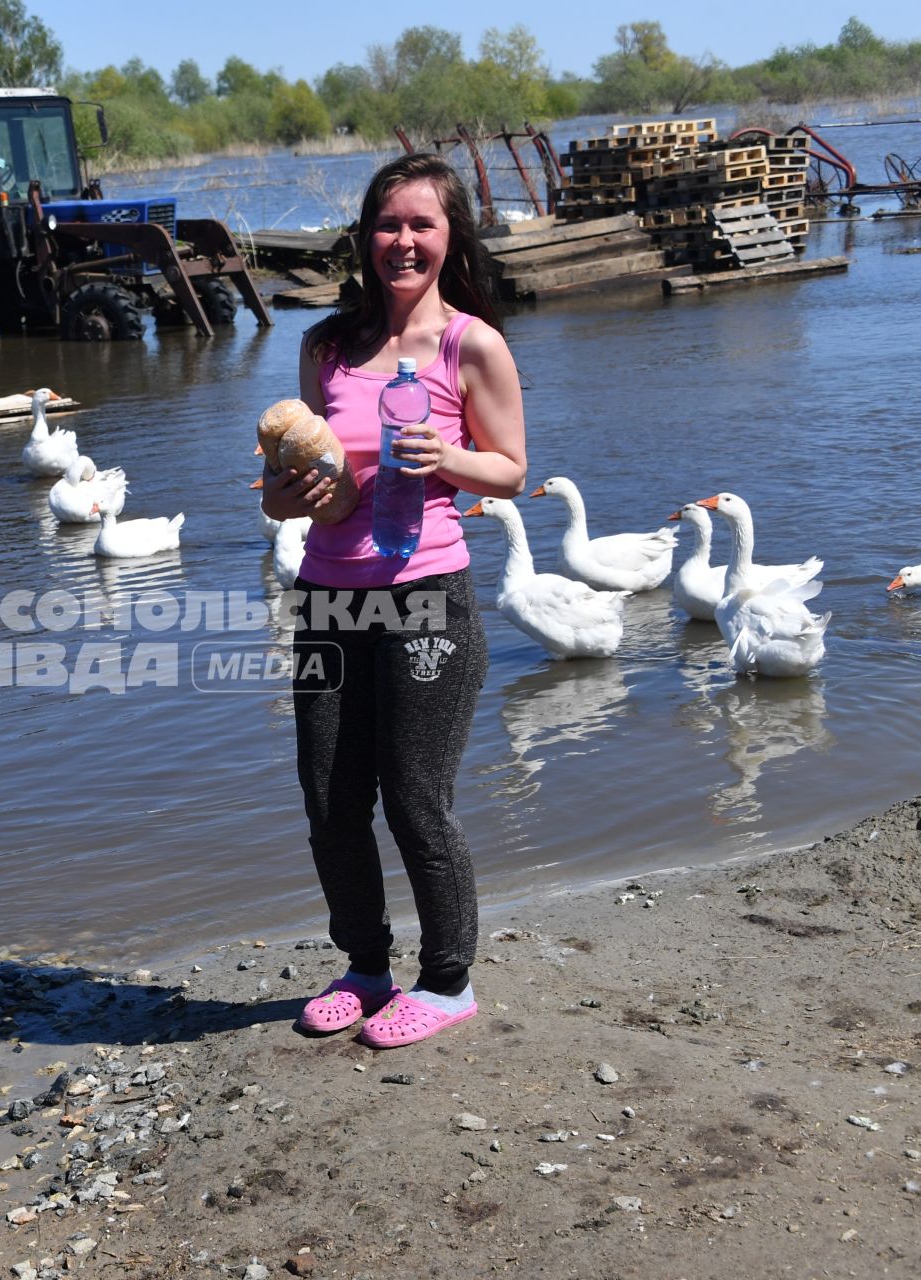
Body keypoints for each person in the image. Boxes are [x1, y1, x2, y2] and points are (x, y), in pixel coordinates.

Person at [260, 155, 527, 1049]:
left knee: (416, 796)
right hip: (331, 597)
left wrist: (444, 460)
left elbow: (512, 470)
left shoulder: (472, 344)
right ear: (365, 237)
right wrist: (284, 498)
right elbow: (291, 484)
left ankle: (447, 981)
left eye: (421, 224)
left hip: (427, 597)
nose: (402, 241)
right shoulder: (326, 347)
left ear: (451, 239)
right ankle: (365, 967)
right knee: (330, 797)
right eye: (387, 224)